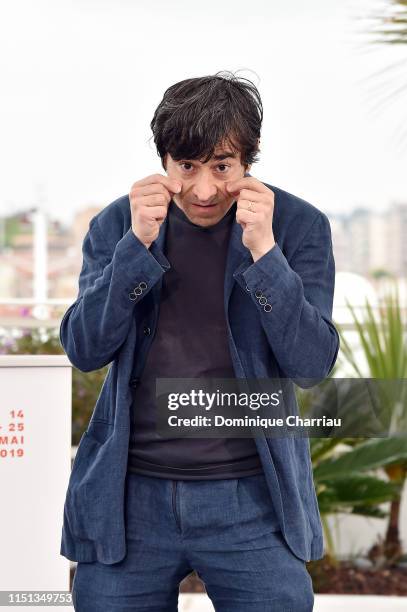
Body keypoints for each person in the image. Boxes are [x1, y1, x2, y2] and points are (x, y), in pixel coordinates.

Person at [60, 70, 340, 611]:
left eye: (222, 167)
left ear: (247, 163)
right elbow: (84, 349)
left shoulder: (299, 225)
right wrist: (135, 248)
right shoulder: (119, 223)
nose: (205, 189)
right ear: (164, 160)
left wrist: (266, 255)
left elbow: (312, 364)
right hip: (129, 497)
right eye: (187, 166)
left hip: (253, 496)